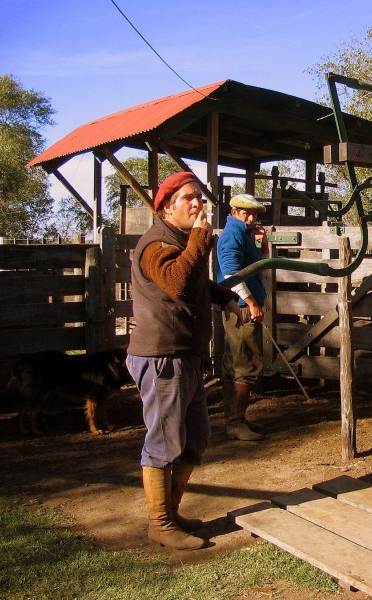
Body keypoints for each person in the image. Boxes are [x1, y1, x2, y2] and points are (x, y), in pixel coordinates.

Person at [126, 171, 244, 551]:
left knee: (195, 438)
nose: (198, 204)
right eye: (188, 198)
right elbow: (177, 281)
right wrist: (199, 238)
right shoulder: (155, 245)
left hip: (186, 356)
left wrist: (223, 296)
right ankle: (159, 523)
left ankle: (171, 513)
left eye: (200, 198)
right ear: (165, 207)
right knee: (164, 441)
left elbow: (194, 281)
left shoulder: (179, 240)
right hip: (161, 358)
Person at [216, 193, 269, 441]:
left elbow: (258, 264)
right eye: (245, 214)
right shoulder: (233, 235)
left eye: (254, 214)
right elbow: (230, 273)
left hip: (239, 305)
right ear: (234, 212)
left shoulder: (243, 234)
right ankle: (235, 422)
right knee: (246, 362)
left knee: (234, 361)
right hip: (241, 307)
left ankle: (233, 419)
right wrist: (251, 302)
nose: (250, 218)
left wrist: (263, 243)